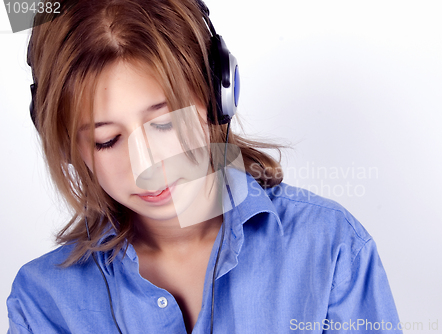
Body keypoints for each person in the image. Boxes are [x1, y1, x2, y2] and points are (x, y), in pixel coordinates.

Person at [7, 0, 402, 333]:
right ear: (68, 147)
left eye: (163, 124)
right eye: (106, 140)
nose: (146, 165)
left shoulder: (332, 248)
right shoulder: (43, 301)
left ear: (217, 95)